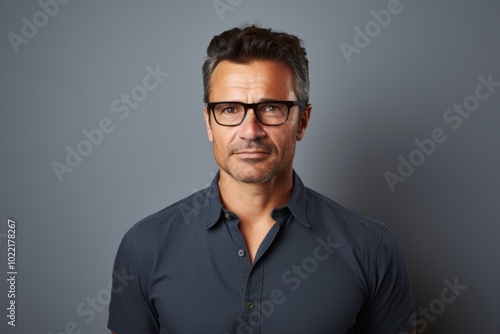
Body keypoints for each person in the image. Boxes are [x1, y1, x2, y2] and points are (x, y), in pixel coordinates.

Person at [108, 25, 415, 334]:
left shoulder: (372, 248)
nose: (250, 130)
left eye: (271, 108)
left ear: (302, 121)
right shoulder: (144, 246)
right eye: (229, 109)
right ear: (209, 123)